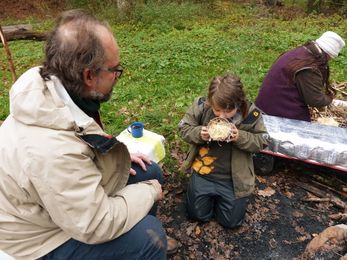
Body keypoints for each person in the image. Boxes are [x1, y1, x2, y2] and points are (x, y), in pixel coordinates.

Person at [0, 10, 177, 259]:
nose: (117, 76)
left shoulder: (58, 90)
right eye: (114, 70)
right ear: (88, 75)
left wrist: (120, 155)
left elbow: (81, 142)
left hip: (56, 204)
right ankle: (144, 246)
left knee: (149, 171)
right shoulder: (51, 150)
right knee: (150, 235)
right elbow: (95, 224)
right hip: (38, 238)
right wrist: (148, 192)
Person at [178, 74, 270, 228]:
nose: (222, 116)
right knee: (197, 215)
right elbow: (183, 128)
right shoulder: (202, 106)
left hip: (233, 179)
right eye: (217, 110)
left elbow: (263, 140)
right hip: (204, 172)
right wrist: (199, 133)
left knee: (231, 222)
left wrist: (240, 137)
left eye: (228, 111)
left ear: (238, 103)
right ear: (210, 102)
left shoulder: (251, 115)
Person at [255, 31, 345, 122]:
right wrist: (331, 101)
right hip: (276, 115)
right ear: (329, 55)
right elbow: (315, 100)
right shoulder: (309, 66)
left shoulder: (301, 52)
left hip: (264, 106)